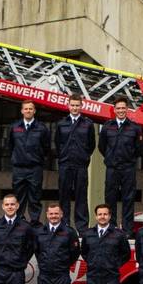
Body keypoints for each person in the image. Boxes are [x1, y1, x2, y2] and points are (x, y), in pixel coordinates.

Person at [98, 97, 143, 234]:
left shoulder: (135, 128)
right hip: (112, 168)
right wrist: (111, 158)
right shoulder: (107, 126)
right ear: (114, 110)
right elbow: (102, 147)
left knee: (128, 199)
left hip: (128, 168)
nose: (121, 111)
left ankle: (127, 229)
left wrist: (128, 158)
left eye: (123, 108)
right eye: (118, 108)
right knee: (110, 198)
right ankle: (110, 228)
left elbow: (139, 149)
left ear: (127, 109)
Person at [54, 94, 95, 230]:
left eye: (77, 105)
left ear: (81, 106)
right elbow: (57, 143)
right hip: (65, 164)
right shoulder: (61, 123)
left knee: (81, 195)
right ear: (68, 106)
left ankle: (82, 226)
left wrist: (84, 156)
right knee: (63, 195)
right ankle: (64, 224)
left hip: (81, 165)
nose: (75, 108)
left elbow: (91, 145)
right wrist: (63, 156)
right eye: (72, 105)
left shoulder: (88, 124)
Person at [5, 100, 50, 222]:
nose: (28, 111)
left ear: (34, 111)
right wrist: (16, 158)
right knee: (18, 198)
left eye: (30, 109)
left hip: (35, 168)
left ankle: (35, 223)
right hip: (19, 168)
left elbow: (46, 147)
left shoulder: (41, 128)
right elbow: (9, 146)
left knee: (35, 198)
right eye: (26, 109)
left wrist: (38, 158)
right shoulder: (14, 127)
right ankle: (18, 222)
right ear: (22, 111)